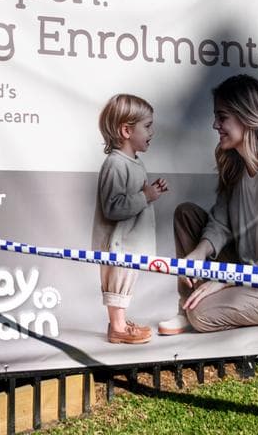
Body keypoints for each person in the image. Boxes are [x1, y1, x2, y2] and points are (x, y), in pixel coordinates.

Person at [159, 74, 258, 334]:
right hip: (243, 269)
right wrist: (199, 252)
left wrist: (223, 280)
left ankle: (195, 308)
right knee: (185, 213)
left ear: (247, 117)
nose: (214, 125)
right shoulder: (236, 168)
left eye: (222, 117)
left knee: (201, 316)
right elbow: (220, 223)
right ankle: (186, 305)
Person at [91, 94, 169, 345]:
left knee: (125, 283)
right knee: (117, 284)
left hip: (130, 242)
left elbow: (135, 196)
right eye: (147, 126)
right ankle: (118, 328)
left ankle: (120, 323)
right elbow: (113, 207)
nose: (152, 131)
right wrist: (145, 195)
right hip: (118, 244)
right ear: (126, 130)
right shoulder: (115, 164)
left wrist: (150, 192)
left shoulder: (133, 163)